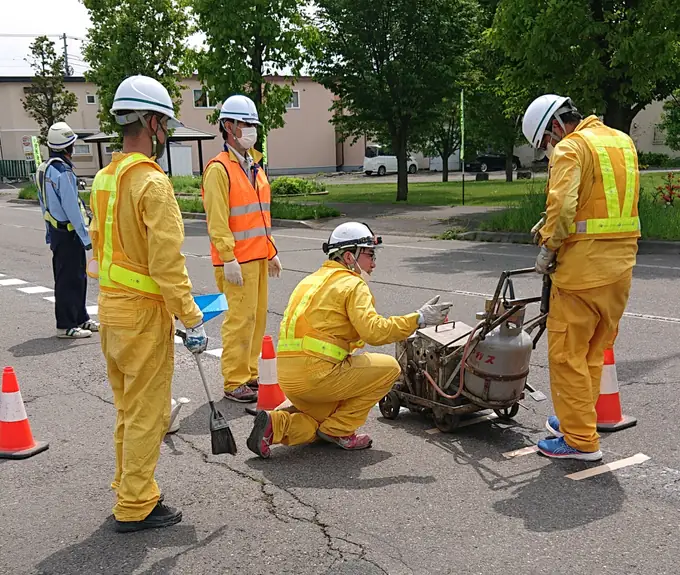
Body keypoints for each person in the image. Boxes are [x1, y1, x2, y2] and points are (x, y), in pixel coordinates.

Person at [88, 75, 208, 533]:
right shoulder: (152, 185)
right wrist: (191, 316)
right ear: (153, 122)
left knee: (127, 408)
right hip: (141, 315)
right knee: (148, 412)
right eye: (166, 125)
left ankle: (127, 486)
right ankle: (136, 504)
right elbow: (167, 263)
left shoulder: (105, 178)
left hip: (111, 311)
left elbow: (101, 248)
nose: (167, 134)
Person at [246, 222, 453, 458]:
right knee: (389, 368)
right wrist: (419, 318)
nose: (374, 263)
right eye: (369, 254)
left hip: (290, 379)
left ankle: (275, 424)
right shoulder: (353, 284)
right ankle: (340, 430)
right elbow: (374, 332)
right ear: (348, 256)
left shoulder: (310, 280)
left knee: (315, 424)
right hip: (317, 376)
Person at [522, 94, 640, 462]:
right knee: (593, 350)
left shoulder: (571, 148)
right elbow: (600, 200)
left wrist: (549, 247)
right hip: (620, 267)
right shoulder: (621, 141)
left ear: (555, 126)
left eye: (545, 142)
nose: (548, 150)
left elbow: (564, 207)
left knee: (567, 354)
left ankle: (579, 440)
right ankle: (579, 420)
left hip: (582, 270)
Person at [201, 94, 281, 403]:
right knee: (238, 321)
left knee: (256, 320)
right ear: (229, 126)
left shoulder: (255, 166)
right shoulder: (219, 169)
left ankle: (249, 374)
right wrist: (228, 257)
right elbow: (217, 221)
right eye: (246, 124)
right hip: (236, 262)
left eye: (253, 125)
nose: (252, 130)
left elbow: (261, 216)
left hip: (257, 258)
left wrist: (270, 250)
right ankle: (234, 381)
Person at [36, 122, 99, 339]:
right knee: (69, 279)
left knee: (75, 277)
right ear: (68, 147)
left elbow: (43, 203)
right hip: (69, 232)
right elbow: (73, 208)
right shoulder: (63, 172)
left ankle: (81, 317)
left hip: (56, 232)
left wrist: (48, 232)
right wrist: (85, 237)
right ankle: (65, 325)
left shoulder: (44, 169)